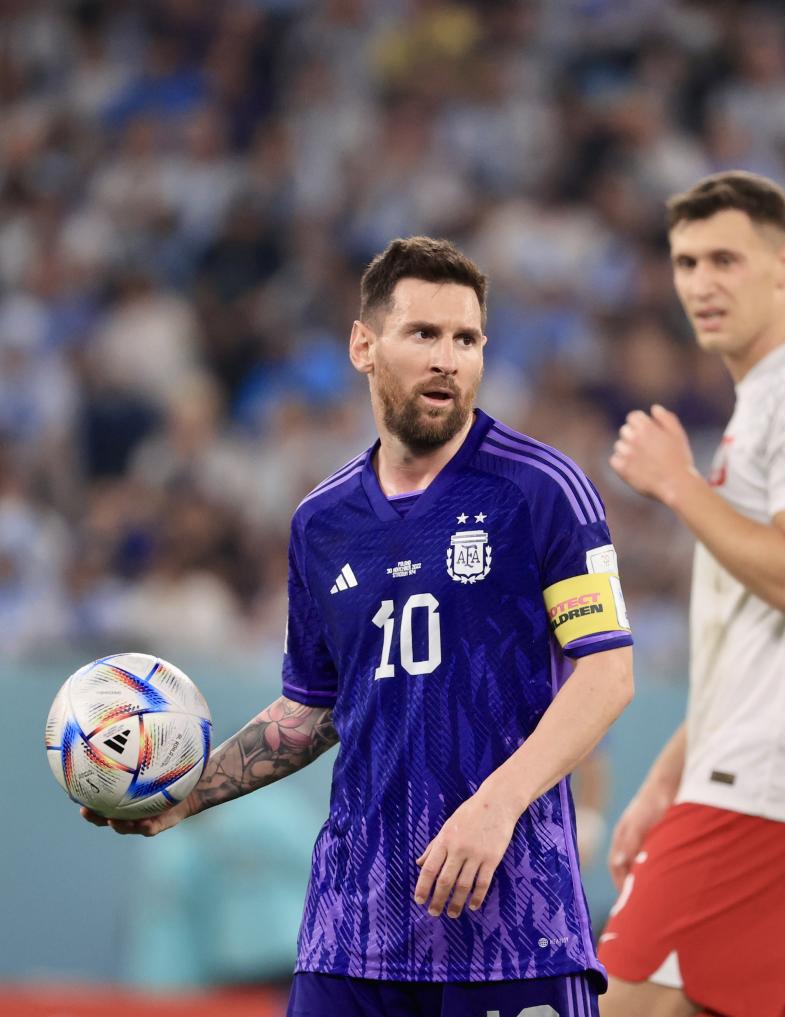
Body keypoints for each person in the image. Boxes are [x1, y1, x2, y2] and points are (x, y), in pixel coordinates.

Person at [84, 236, 635, 1017]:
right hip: (353, 932)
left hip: (514, 927)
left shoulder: (544, 489)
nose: (449, 358)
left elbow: (608, 672)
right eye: (424, 334)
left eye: (467, 338)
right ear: (363, 345)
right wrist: (186, 793)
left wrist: (495, 804)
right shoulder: (322, 521)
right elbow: (311, 710)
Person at [597, 172, 785, 1017]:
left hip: (765, 788)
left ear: (784, 264)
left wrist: (681, 485)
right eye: (686, 261)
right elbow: (763, 631)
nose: (701, 282)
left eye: (725, 258)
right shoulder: (775, 398)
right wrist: (668, 774)